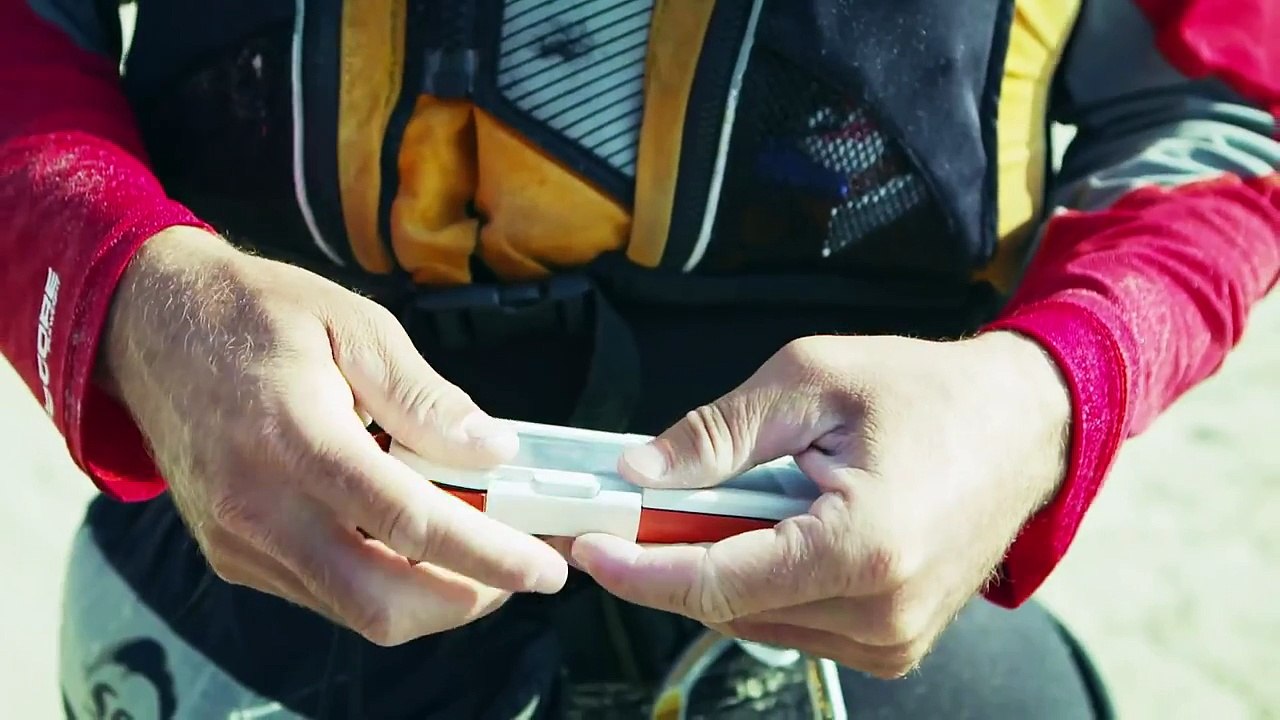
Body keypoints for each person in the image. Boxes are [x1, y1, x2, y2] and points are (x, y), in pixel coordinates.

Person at [2, 0, 1276, 716]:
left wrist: (1046, 391)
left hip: (870, 578)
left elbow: (1226, 102)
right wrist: (127, 288)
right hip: (253, 551)